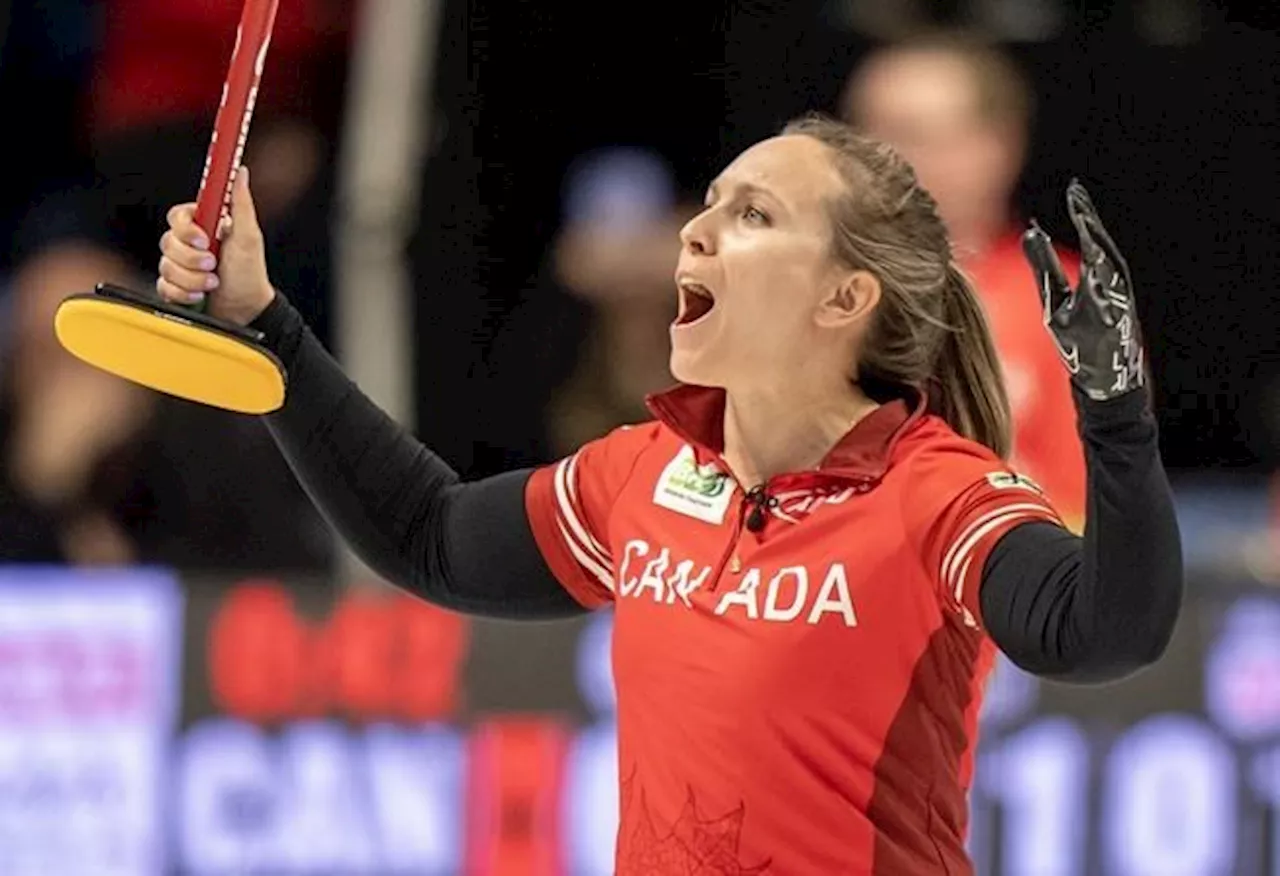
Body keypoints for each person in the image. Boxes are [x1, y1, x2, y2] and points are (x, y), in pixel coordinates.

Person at [154, 117, 1182, 874]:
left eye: (753, 214)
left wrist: (1115, 417)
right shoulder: (642, 475)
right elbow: (425, 534)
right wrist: (264, 322)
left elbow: (1104, 633)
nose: (693, 232)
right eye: (708, 203)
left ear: (844, 296)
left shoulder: (935, 494)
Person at [842, 32, 1089, 532]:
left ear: (997, 146)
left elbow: (1088, 509)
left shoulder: (1064, 296)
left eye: (914, 134)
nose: (884, 162)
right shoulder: (805, 286)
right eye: (865, 138)